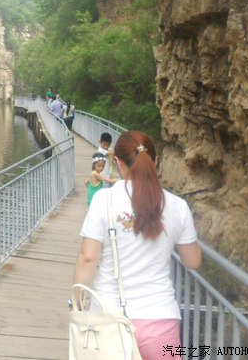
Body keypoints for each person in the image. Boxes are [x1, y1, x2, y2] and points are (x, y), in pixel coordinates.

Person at [72, 131, 202, 360]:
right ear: (156, 161)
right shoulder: (178, 206)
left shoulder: (104, 200)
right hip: (160, 319)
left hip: (109, 318)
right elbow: (193, 261)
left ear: (117, 163)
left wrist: (76, 300)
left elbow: (88, 258)